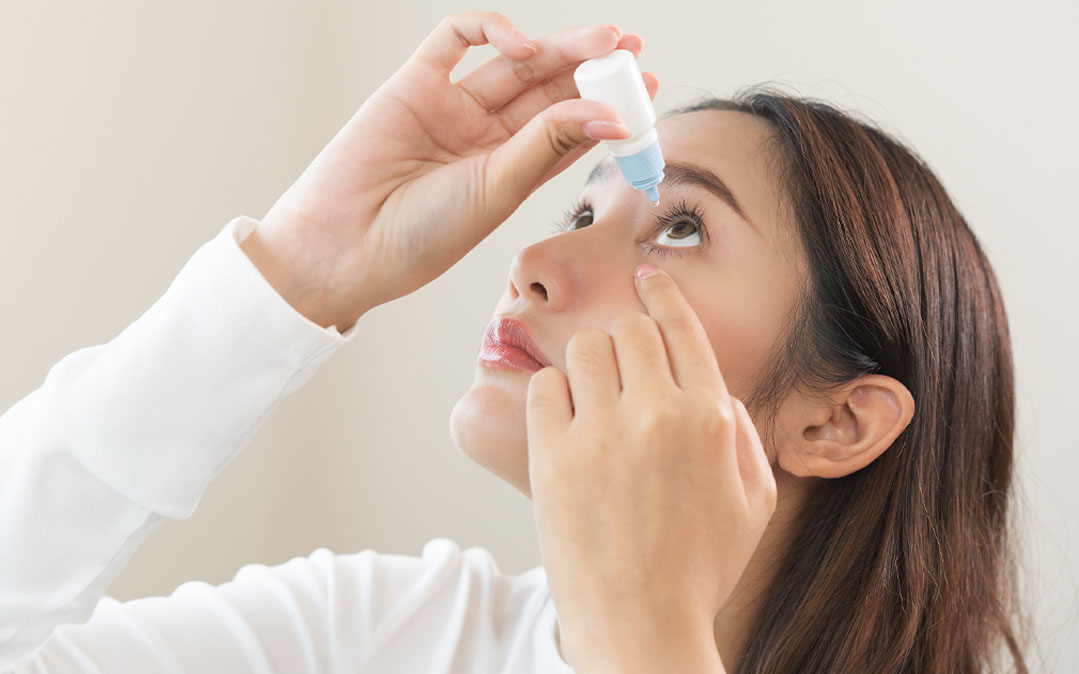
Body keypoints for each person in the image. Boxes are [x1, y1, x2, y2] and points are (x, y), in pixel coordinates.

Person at [0, 10, 1027, 674]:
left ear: (835, 418)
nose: (532, 256)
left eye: (679, 227)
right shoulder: (380, 628)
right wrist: (296, 270)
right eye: (579, 213)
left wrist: (646, 642)